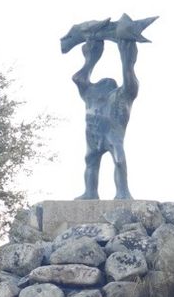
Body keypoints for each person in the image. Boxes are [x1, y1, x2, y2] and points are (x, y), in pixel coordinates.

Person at [58, 14, 156, 200]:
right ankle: (90, 192)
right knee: (90, 162)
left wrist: (126, 53)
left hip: (112, 136)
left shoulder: (122, 95)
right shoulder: (91, 95)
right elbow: (78, 78)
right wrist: (92, 55)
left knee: (118, 160)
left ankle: (122, 192)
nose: (105, 82)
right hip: (93, 136)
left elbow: (128, 75)